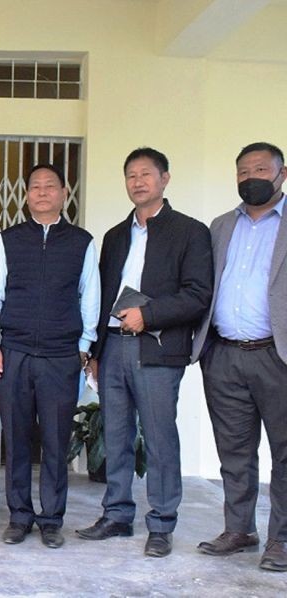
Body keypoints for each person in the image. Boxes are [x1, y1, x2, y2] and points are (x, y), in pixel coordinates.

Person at [76, 147, 213, 558]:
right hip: (115, 347)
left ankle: (161, 522)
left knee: (158, 437)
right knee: (115, 434)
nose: (138, 182)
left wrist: (148, 315)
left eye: (146, 174)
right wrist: (96, 350)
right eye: (131, 175)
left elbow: (198, 294)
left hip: (157, 348)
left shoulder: (190, 231)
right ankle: (117, 514)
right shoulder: (116, 236)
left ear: (165, 179)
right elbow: (101, 297)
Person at [0, 164, 100, 548]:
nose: (43, 192)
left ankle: (51, 518)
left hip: (61, 355)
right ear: (26, 194)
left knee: (55, 439)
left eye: (51, 186)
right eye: (35, 187)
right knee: (15, 439)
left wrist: (84, 346)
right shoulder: (9, 240)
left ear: (65, 193)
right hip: (14, 353)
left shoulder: (81, 241)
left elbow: (90, 296)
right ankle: (19, 516)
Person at [193, 141, 287, 572]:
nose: (252, 177)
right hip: (224, 354)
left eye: (262, 169)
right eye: (244, 170)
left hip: (278, 356)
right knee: (234, 450)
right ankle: (240, 528)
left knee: (284, 452)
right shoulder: (219, 226)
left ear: (281, 174)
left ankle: (281, 540)